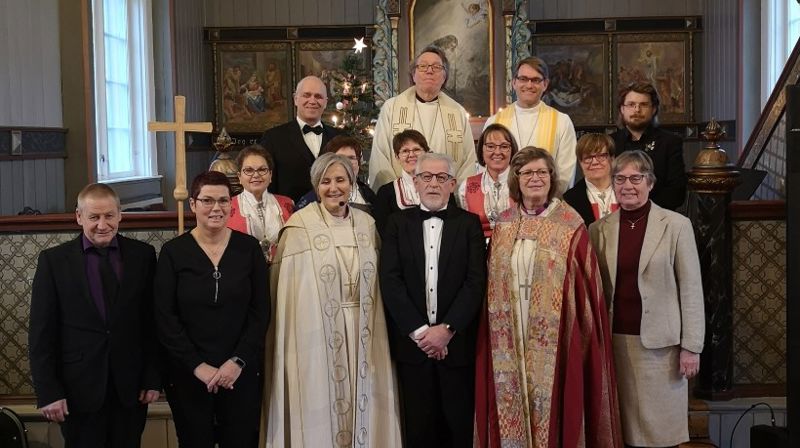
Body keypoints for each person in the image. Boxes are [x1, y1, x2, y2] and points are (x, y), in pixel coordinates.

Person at [474, 147, 622, 448]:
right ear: (517, 178)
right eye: (527, 172)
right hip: (510, 335)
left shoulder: (569, 223)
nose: (535, 178)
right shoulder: (503, 224)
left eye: (542, 172)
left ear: (552, 177)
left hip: (555, 338)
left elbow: (587, 289)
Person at [265, 153, 401, 447]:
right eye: (325, 181)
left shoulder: (366, 224)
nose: (333, 187)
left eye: (340, 180)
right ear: (316, 186)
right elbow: (289, 297)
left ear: (351, 184)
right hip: (314, 339)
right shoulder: (298, 227)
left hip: (366, 333)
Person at [29, 183, 161, 447]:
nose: (103, 224)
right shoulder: (54, 261)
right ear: (79, 217)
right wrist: (48, 392)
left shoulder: (143, 256)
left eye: (109, 216)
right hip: (77, 390)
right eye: (94, 217)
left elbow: (152, 323)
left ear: (120, 214)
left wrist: (153, 378)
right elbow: (41, 334)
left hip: (131, 389)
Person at [589, 150, 704, 447]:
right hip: (615, 344)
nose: (628, 185)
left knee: (660, 433)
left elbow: (691, 289)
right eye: (621, 178)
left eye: (636, 178)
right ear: (613, 184)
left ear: (650, 183)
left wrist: (691, 347)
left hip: (660, 349)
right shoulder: (599, 230)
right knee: (622, 432)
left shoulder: (676, 225)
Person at [155, 171, 269, 448]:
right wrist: (197, 366)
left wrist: (237, 361)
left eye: (223, 201)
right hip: (189, 373)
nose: (216, 208)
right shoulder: (173, 252)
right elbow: (164, 317)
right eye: (207, 200)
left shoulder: (249, 248)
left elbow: (261, 311)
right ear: (193, 204)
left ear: (232, 205)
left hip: (239, 371)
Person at [380, 153, 487, 447]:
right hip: (413, 348)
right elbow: (390, 281)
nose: (433, 183)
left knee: (459, 428)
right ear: (415, 182)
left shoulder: (469, 224)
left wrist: (446, 330)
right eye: (426, 176)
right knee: (418, 429)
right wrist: (421, 333)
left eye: (441, 178)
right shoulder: (396, 223)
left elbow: (475, 282)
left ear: (452, 184)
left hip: (457, 346)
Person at [369, 46, 477, 189]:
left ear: (444, 76)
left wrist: (456, 195)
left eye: (436, 67)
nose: (429, 70)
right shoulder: (392, 108)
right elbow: (380, 156)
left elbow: (468, 161)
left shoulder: (457, 112)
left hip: (446, 198)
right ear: (413, 75)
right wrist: (395, 195)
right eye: (423, 66)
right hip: (401, 201)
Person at [484, 57, 577, 195]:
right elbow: (486, 169)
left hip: (545, 205)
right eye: (523, 79)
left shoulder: (561, 121)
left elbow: (565, 173)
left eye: (535, 80)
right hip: (504, 203)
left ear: (545, 84)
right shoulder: (494, 122)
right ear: (514, 82)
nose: (529, 85)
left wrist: (544, 202)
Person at [259, 75, 343, 201]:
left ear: (325, 102)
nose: (312, 101)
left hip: (334, 216)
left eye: (318, 96)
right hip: (289, 216)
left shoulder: (340, 138)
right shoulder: (273, 138)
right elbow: (266, 185)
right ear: (295, 99)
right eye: (306, 95)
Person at [610, 82, 687, 210]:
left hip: (658, 216)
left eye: (643, 104)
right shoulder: (610, 142)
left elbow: (676, 193)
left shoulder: (670, 142)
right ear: (622, 109)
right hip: (617, 215)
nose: (637, 110)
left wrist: (640, 207)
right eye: (631, 104)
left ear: (654, 109)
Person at [228, 144, 294, 262]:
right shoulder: (227, 207)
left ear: (270, 175)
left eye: (262, 169)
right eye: (248, 170)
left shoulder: (288, 204)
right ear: (239, 177)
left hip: (282, 273)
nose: (256, 175)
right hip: (243, 274)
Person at [456, 123, 518, 239]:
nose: (497, 152)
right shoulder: (466, 187)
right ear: (481, 150)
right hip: (478, 251)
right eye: (490, 146)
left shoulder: (523, 183)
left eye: (504, 146)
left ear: (512, 150)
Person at [294, 135, 377, 214]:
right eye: (341, 157)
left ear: (358, 163)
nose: (347, 163)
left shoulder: (368, 194)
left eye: (351, 158)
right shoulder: (311, 199)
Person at [373, 129, 431, 235]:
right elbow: (385, 234)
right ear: (397, 157)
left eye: (417, 149)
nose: (411, 155)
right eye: (405, 151)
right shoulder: (386, 193)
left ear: (426, 153)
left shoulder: (442, 188)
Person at [563, 132, 619, 226]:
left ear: (612, 159)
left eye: (601, 156)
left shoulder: (627, 191)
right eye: (588, 157)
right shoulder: (569, 200)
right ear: (580, 162)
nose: (594, 162)